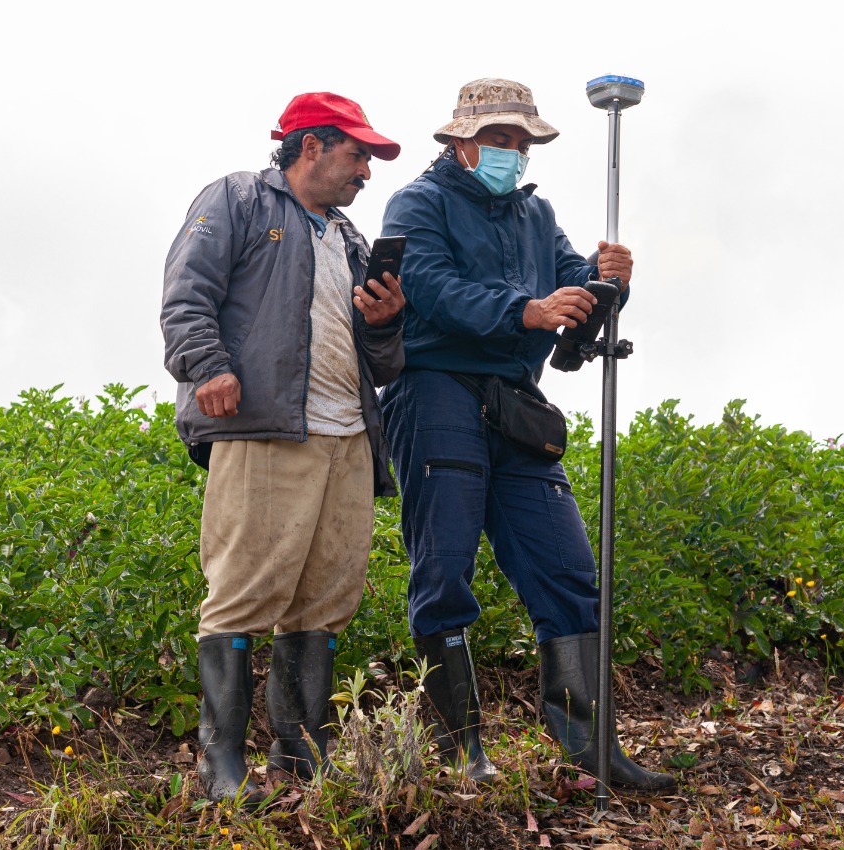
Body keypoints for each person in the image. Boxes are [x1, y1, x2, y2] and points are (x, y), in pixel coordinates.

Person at [378, 78, 675, 793]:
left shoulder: (535, 213)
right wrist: (528, 311)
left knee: (570, 572)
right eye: (499, 139)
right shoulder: (418, 203)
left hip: (517, 405)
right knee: (444, 573)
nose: (512, 151)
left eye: (520, 140)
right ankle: (462, 753)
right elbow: (431, 289)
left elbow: (575, 287)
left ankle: (591, 749)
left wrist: (610, 284)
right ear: (460, 143)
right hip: (435, 392)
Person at [161, 91, 406, 804]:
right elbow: (186, 293)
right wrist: (207, 367)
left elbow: (385, 365)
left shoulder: (351, 239)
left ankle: (300, 760)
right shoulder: (238, 199)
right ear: (311, 146)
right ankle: (221, 769)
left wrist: (385, 321)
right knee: (241, 593)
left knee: (326, 599)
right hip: (264, 429)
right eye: (358, 153)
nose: (367, 170)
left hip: (347, 438)